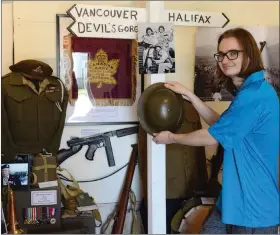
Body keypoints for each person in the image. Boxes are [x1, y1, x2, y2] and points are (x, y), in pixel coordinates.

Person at [152, 27, 279, 234]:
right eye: (220, 54)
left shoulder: (254, 96)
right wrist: (190, 96)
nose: (224, 59)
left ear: (249, 54)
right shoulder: (251, 91)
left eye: (233, 53)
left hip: (253, 210)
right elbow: (222, 125)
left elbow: (212, 136)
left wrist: (171, 138)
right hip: (232, 202)